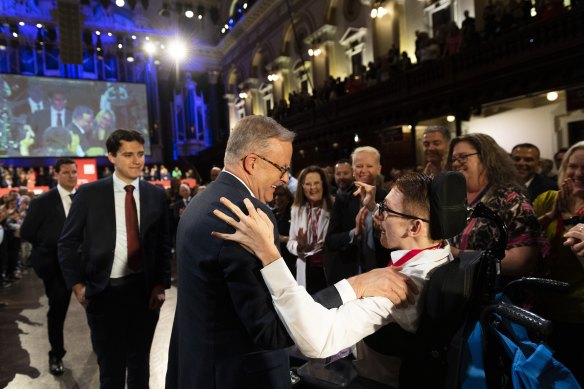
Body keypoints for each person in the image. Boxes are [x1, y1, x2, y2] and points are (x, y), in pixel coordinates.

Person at [165, 115, 416, 389]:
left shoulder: (203, 200)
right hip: (238, 374)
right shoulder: (249, 213)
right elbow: (272, 329)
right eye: (282, 168)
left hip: (199, 367)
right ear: (252, 162)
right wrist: (354, 286)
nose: (285, 178)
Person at [212, 172, 447, 388]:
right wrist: (377, 207)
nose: (379, 216)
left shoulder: (399, 287)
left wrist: (269, 254)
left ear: (415, 226)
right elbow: (404, 221)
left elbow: (319, 339)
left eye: (387, 210)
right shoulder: (442, 251)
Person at [58, 129, 171, 389]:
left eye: (141, 154)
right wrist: (77, 285)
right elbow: (67, 242)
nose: (137, 161)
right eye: (128, 154)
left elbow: (163, 244)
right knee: (111, 370)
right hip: (104, 294)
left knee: (141, 367)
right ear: (111, 156)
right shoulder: (89, 194)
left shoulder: (155, 195)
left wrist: (160, 284)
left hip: (144, 294)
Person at [446, 133, 548, 281]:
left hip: (497, 295)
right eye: (454, 159)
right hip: (457, 291)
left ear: (487, 158)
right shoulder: (454, 198)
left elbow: (524, 261)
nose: (456, 163)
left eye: (463, 157)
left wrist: (459, 255)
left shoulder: (511, 200)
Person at [532, 141, 584, 385]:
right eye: (573, 166)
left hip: (576, 314)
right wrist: (551, 215)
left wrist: (570, 221)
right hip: (540, 308)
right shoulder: (548, 198)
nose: (578, 174)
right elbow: (523, 235)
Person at [20, 158, 77, 376]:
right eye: (66, 172)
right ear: (56, 175)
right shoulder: (42, 202)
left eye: (74, 172)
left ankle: (102, 350)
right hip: (54, 267)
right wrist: (48, 244)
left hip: (81, 265)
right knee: (57, 311)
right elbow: (26, 232)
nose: (71, 176)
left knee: (95, 309)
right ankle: (56, 354)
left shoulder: (82, 198)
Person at [325, 146, 391, 284]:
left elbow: (395, 236)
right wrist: (353, 233)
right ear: (353, 170)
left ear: (379, 169)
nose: (363, 170)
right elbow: (330, 241)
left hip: (383, 273)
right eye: (359, 166)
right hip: (350, 276)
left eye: (369, 165)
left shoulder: (388, 198)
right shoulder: (342, 200)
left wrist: (380, 226)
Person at [287, 166, 333, 293]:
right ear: (302, 186)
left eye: (316, 183)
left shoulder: (333, 206)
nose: (313, 188)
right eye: (308, 184)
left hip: (328, 268)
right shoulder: (296, 209)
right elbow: (291, 242)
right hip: (306, 268)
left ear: (323, 184)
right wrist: (299, 247)